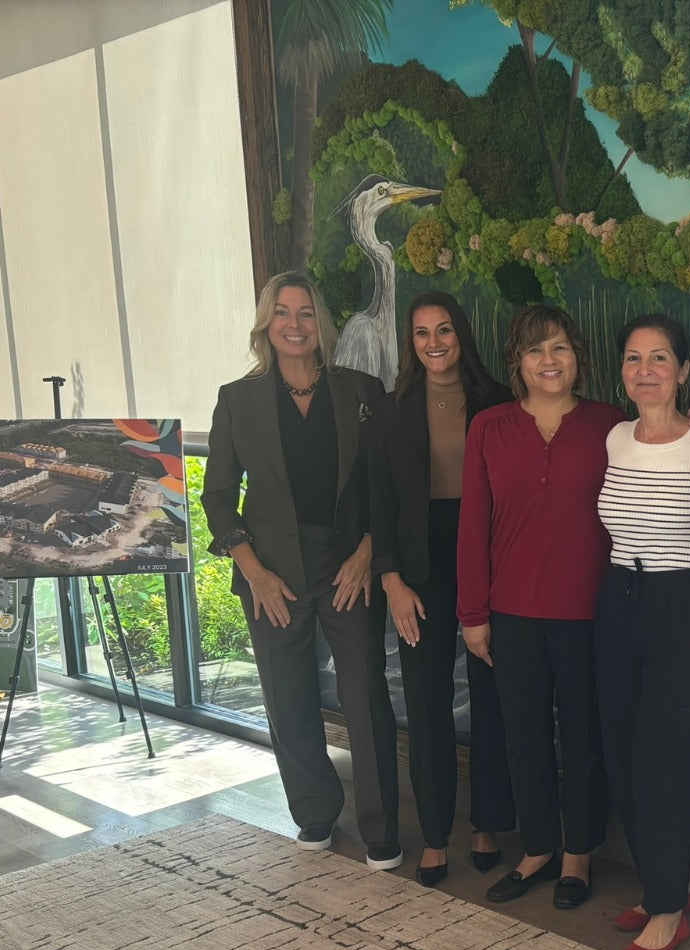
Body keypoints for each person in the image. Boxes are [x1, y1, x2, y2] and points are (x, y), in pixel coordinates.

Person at [202, 271, 400, 867]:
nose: (295, 324)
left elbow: (384, 485)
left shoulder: (363, 390)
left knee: (366, 699)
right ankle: (314, 813)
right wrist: (254, 571)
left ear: (322, 324)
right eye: (283, 313)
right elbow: (216, 497)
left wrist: (369, 550)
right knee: (287, 699)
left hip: (350, 565)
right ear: (266, 324)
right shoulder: (237, 400)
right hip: (272, 572)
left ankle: (382, 828)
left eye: (306, 312)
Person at [458, 305, 623, 909]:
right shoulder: (490, 428)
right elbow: (473, 524)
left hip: (588, 612)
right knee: (522, 736)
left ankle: (578, 853)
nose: (548, 361)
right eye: (534, 351)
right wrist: (473, 613)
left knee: (581, 737)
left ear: (577, 356)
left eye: (558, 348)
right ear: (517, 363)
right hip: (512, 613)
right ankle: (536, 850)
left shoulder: (612, 424)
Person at [595, 313, 690, 950]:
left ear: (683, 370)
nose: (644, 370)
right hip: (619, 599)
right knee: (621, 749)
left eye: (659, 358)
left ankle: (671, 911)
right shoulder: (616, 439)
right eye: (632, 357)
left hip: (683, 605)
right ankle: (660, 887)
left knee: (665, 758)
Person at [369, 290, 515, 887]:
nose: (434, 342)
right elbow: (376, 499)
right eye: (422, 333)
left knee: (491, 697)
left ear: (462, 336)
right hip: (417, 564)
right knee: (426, 702)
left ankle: (487, 821)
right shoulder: (392, 407)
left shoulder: (498, 402)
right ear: (412, 342)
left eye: (445, 330)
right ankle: (434, 833)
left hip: (485, 553)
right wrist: (391, 580)